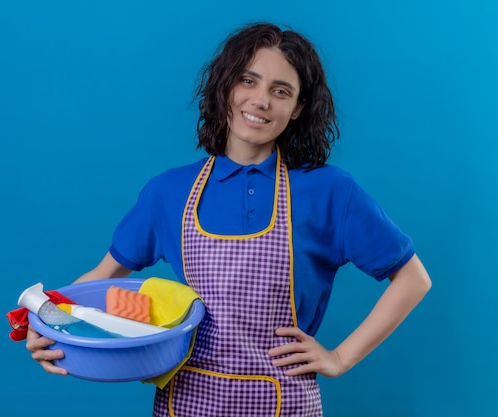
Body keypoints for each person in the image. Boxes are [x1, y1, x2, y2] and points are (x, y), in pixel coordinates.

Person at [26, 22, 432, 416]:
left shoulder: (330, 192)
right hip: (187, 400)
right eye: (248, 81)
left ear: (297, 108)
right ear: (226, 87)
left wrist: (340, 357)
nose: (261, 101)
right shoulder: (169, 192)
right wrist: (47, 324)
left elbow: (413, 278)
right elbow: (103, 277)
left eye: (281, 91)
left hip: (284, 402)